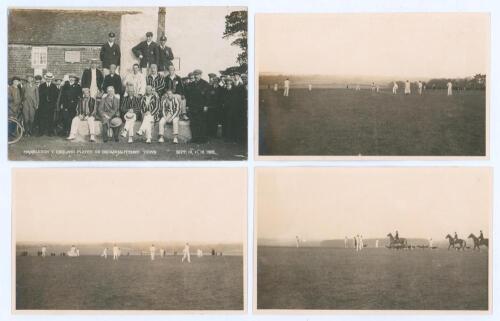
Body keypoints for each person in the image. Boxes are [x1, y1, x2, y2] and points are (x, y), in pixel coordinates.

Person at [187, 69, 210, 143]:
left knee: (201, 123)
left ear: (201, 75)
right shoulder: (191, 84)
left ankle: (202, 139)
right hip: (192, 107)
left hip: (201, 106)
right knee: (193, 123)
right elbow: (188, 96)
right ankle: (194, 138)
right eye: (195, 75)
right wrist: (187, 105)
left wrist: (206, 105)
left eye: (197, 74)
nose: (196, 76)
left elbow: (208, 96)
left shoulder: (205, 84)